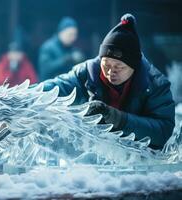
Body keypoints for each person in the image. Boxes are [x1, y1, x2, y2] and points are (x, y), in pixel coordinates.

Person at [43, 14, 175, 149]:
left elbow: (162, 132)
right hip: (96, 153)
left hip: (139, 159)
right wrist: (28, 93)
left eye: (119, 67)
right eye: (106, 65)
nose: (111, 72)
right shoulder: (87, 73)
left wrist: (119, 119)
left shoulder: (154, 85)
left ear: (134, 66)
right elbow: (58, 87)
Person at [38, 16, 85, 81]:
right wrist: (66, 59)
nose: (74, 38)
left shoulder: (73, 49)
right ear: (61, 32)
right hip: (50, 87)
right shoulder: (47, 47)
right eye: (70, 34)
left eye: (75, 35)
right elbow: (46, 69)